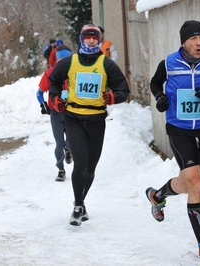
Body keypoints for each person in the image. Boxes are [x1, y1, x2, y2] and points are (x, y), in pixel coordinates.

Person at [146, 20, 200, 265]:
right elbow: (155, 83)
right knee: (196, 182)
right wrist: (161, 97)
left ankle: (156, 195)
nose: (199, 43)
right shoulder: (169, 63)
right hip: (178, 129)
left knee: (187, 184)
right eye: (194, 39)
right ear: (183, 42)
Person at [49, 24, 130, 226]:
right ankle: (77, 207)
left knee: (91, 169)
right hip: (74, 118)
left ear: (100, 40)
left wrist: (113, 97)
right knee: (80, 164)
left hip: (96, 120)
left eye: (95, 38)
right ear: (81, 39)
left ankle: (81, 202)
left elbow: (123, 89)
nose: (92, 41)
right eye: (88, 38)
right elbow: (54, 82)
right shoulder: (70, 62)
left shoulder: (107, 64)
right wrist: (55, 98)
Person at [36, 44, 73, 182]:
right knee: (59, 144)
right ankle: (61, 169)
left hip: (72, 112)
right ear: (57, 60)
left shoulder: (75, 73)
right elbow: (39, 92)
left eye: (66, 60)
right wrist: (43, 104)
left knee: (71, 141)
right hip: (56, 113)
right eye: (60, 60)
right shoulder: (49, 74)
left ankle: (69, 150)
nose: (63, 63)